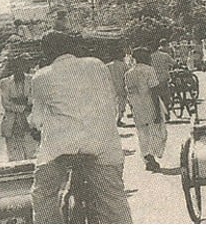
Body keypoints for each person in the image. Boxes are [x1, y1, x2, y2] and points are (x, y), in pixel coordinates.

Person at [28, 31, 132, 223]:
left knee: (43, 197)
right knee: (114, 201)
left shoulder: (41, 77)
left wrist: (34, 126)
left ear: (47, 53)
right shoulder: (96, 64)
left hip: (61, 151)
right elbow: (111, 101)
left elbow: (37, 118)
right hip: (102, 147)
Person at [125, 48, 167, 172]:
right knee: (159, 131)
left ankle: (147, 156)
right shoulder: (149, 70)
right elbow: (154, 90)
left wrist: (133, 107)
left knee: (142, 133)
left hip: (137, 107)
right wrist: (157, 111)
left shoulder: (128, 74)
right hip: (150, 104)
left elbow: (129, 93)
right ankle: (152, 154)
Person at [1, 56, 37, 161]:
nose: (18, 70)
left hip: (28, 121)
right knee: (14, 157)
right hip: (12, 123)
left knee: (31, 155)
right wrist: (24, 105)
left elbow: (33, 99)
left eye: (21, 67)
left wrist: (18, 101)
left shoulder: (32, 79)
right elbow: (6, 104)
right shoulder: (5, 83)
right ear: (12, 69)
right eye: (16, 67)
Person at [149, 39, 174, 121]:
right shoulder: (164, 55)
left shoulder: (149, 58)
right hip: (164, 79)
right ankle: (167, 114)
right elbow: (173, 63)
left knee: (155, 98)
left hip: (153, 80)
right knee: (165, 96)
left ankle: (158, 115)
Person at [105, 50, 130, 127]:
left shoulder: (107, 65)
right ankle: (118, 119)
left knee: (112, 103)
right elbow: (128, 76)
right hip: (121, 86)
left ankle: (112, 120)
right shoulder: (124, 65)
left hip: (110, 87)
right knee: (121, 104)